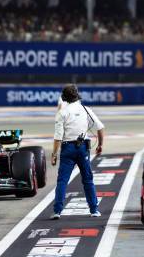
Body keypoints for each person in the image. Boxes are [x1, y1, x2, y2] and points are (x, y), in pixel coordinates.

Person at [51, 84, 105, 220]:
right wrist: (100, 145)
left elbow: (58, 137)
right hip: (82, 148)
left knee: (62, 180)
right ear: (77, 95)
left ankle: (57, 211)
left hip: (67, 148)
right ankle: (94, 210)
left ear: (64, 97)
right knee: (88, 179)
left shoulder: (62, 113)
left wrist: (54, 154)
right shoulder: (86, 110)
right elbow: (100, 127)